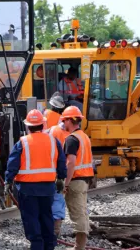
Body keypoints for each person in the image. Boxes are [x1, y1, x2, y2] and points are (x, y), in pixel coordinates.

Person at [6, 109, 67, 250]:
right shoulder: (53, 141)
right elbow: (61, 162)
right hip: (47, 189)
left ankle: (37, 246)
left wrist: (8, 181)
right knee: (47, 217)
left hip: (28, 190)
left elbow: (13, 164)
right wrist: (61, 178)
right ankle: (49, 246)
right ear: (43, 125)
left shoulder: (23, 142)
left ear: (28, 126)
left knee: (31, 219)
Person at [61, 106, 93, 250]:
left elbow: (71, 163)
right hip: (84, 180)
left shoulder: (72, 139)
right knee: (82, 211)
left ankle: (79, 247)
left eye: (64, 120)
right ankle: (80, 245)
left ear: (70, 120)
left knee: (77, 214)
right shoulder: (84, 136)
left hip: (75, 180)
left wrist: (65, 184)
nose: (63, 123)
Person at [44, 115, 71, 242]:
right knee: (57, 202)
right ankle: (54, 233)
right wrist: (61, 177)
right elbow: (62, 159)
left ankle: (44, 234)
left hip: (44, 174)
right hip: (55, 173)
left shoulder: (51, 131)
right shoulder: (75, 135)